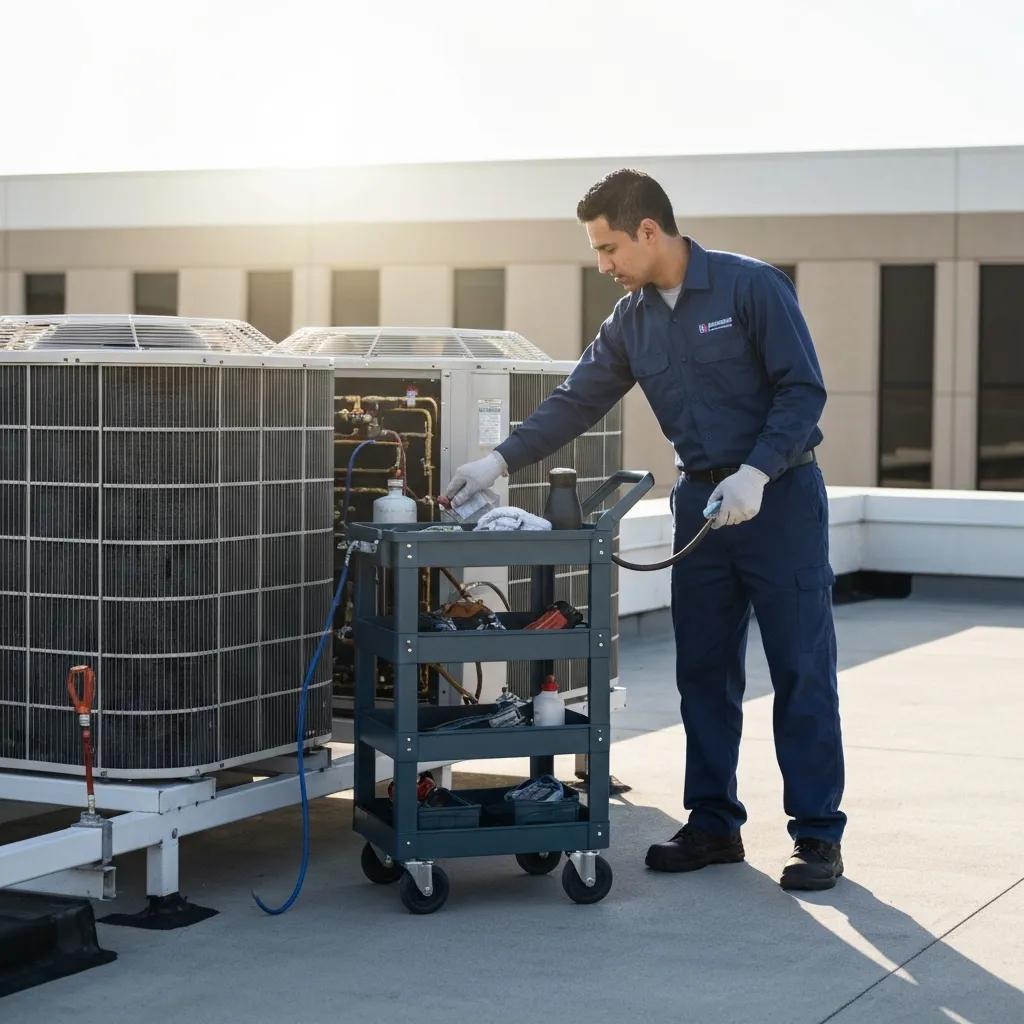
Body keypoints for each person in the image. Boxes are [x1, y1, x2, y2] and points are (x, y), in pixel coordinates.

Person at [444, 169, 845, 891]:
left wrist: (757, 470)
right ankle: (714, 824)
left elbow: (802, 390)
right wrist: (497, 461)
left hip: (778, 499)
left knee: (801, 671)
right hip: (701, 503)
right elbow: (575, 401)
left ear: (649, 232)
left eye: (608, 249)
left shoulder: (751, 288)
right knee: (703, 675)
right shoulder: (630, 321)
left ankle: (816, 837)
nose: (603, 266)